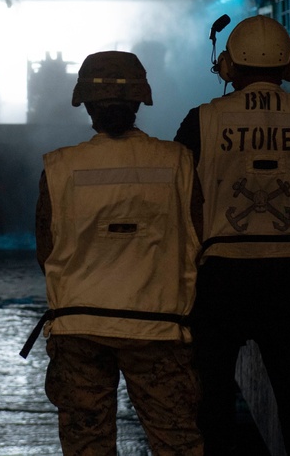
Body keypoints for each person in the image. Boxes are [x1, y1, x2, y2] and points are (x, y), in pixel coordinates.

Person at [21, 50, 204, 455]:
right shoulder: (179, 163)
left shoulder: (59, 168)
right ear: (140, 101)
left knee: (88, 445)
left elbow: (45, 253)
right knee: (176, 443)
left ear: (85, 104)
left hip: (79, 330)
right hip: (158, 328)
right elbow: (198, 240)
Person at [174, 15, 290, 456]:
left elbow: (180, 198)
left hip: (221, 276)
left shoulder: (202, 120)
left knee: (210, 401)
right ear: (289, 67)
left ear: (228, 66)